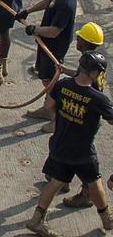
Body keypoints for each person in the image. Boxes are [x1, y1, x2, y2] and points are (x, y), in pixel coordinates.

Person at [26, 52, 113, 236]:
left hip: (59, 145)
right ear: (94, 72)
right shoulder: (98, 99)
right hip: (82, 152)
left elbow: (49, 106)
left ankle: (36, 220)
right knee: (94, 182)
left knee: (55, 182)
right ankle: (107, 219)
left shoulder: (63, 85)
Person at [16, 0, 86, 132]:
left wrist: (35, 29)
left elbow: (54, 32)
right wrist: (28, 10)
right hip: (45, 42)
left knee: (50, 82)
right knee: (44, 77)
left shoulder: (67, 5)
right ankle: (48, 108)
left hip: (54, 47)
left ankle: (55, 118)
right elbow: (50, 0)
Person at [60, 22, 106, 210]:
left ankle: (87, 193)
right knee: (67, 146)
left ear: (85, 42)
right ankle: (61, 178)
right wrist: (64, 70)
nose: (76, 40)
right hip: (87, 114)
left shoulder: (88, 63)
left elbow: (81, 81)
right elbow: (80, 74)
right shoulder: (93, 63)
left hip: (84, 117)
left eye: (79, 38)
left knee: (82, 157)